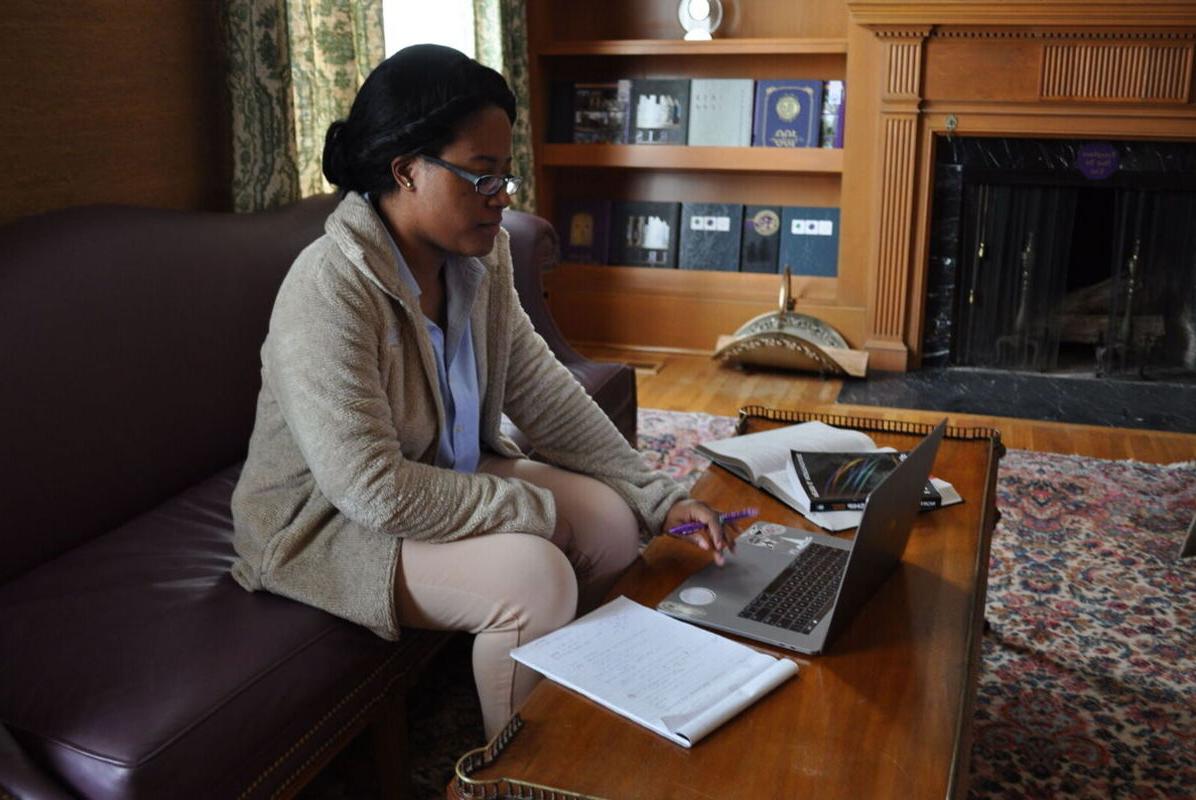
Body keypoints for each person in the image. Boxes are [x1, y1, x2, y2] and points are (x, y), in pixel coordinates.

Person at [229, 44, 733, 740]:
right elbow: (371, 489)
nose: (503, 198)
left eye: (506, 175)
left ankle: (568, 698)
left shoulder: (479, 254)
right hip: (328, 526)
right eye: (481, 176)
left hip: (437, 474)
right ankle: (515, 773)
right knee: (536, 578)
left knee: (615, 525)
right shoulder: (329, 291)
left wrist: (659, 492)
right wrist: (528, 510)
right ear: (406, 171)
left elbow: (541, 389)